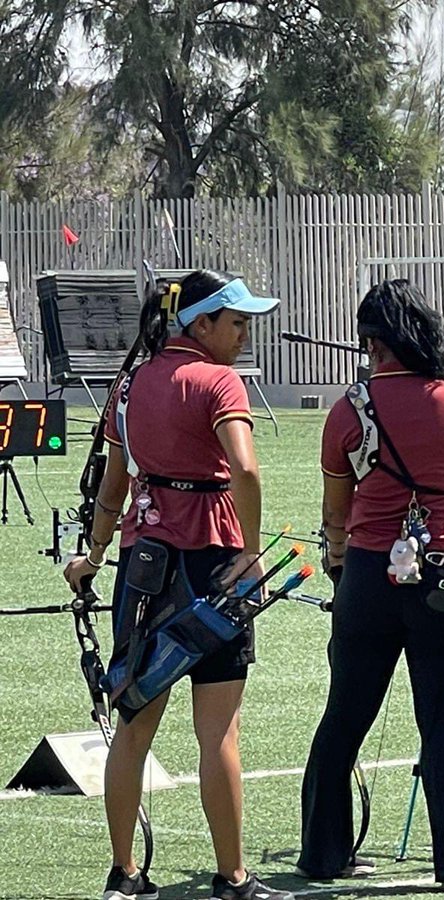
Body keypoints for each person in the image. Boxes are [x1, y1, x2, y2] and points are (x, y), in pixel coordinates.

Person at [63, 270, 292, 900]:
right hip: (212, 568)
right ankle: (232, 878)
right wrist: (249, 553)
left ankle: (124, 874)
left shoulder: (131, 382)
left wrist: (94, 553)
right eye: (236, 321)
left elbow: (113, 487)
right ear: (200, 324)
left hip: (143, 572)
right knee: (217, 731)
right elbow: (244, 467)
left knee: (135, 724)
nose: (244, 333)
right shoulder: (217, 380)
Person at [298, 279, 444, 890]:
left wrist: (343, 567)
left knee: (344, 716)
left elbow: (335, 510)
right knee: (442, 724)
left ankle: (323, 854)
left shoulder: (349, 409)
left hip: (368, 572)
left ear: (376, 343)